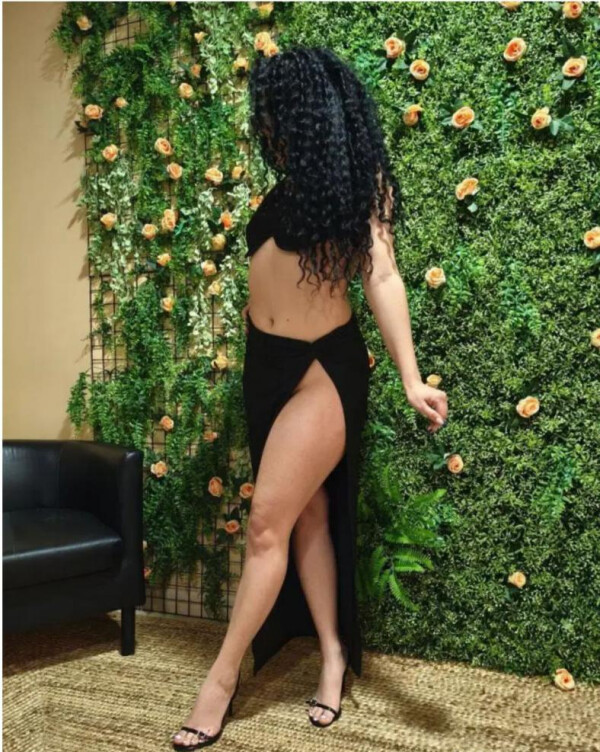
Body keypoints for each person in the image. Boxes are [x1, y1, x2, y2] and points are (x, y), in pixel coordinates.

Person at [172, 45, 447, 750]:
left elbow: (382, 278)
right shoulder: (288, 188)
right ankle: (331, 653)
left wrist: (411, 377)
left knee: (266, 524)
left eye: (275, 113)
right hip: (264, 368)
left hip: (323, 369)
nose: (267, 127)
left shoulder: (360, 186)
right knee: (308, 518)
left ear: (307, 111)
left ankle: (221, 681)